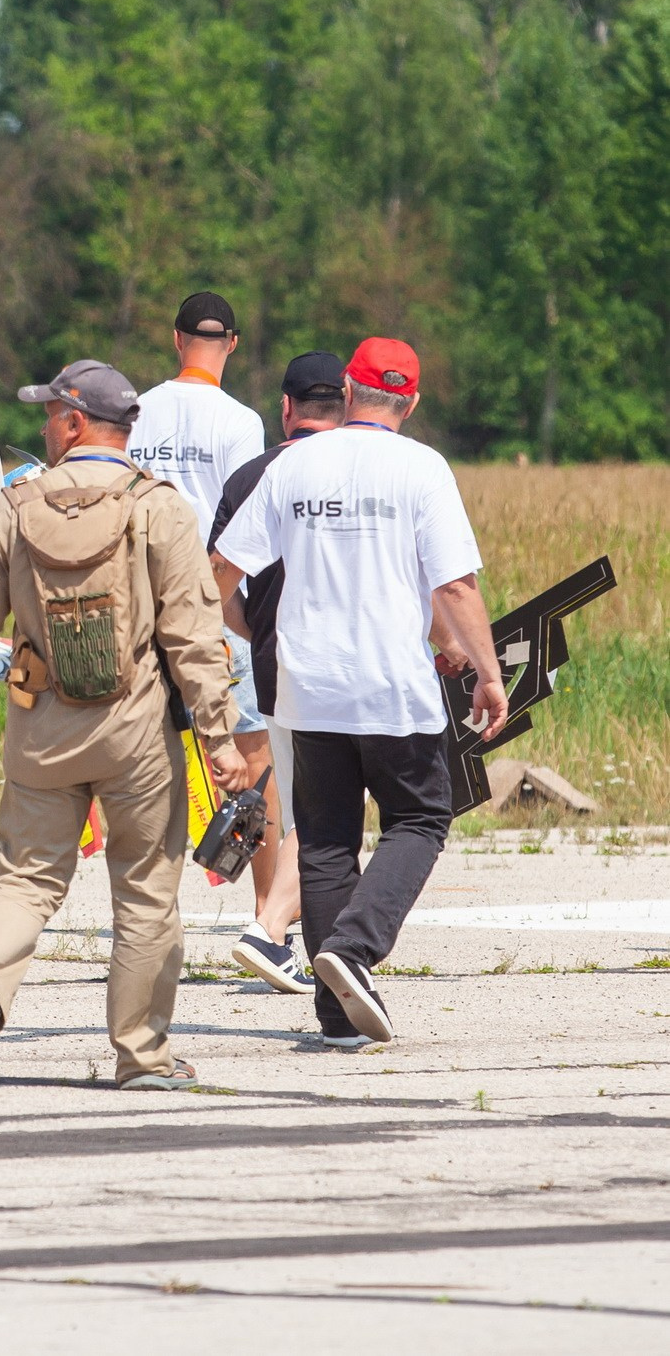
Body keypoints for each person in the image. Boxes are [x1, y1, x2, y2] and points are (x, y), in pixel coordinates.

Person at [0, 359, 251, 1095]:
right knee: (146, 892)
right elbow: (194, 637)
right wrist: (219, 737)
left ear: (75, 423)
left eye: (50, 414)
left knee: (26, 875)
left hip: (41, 727)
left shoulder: (14, 505)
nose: (44, 426)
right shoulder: (159, 507)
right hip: (137, 734)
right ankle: (142, 1057)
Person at [214, 338, 507, 1048]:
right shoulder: (423, 467)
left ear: (348, 390)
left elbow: (220, 569)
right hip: (392, 688)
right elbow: (455, 585)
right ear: (412, 402)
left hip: (307, 687)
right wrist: (488, 672)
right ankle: (355, 946)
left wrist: (248, 629)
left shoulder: (294, 465)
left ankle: (337, 1017)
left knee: (324, 839)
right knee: (420, 818)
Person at [125, 293, 287, 964]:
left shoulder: (136, 410)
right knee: (253, 759)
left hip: (139, 604)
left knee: (143, 762)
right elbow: (243, 517)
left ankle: (147, 920)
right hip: (212, 607)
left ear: (176, 338)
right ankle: (269, 917)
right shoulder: (242, 421)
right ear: (234, 344)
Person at [204, 351, 346, 993]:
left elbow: (214, 584)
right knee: (330, 805)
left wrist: (253, 630)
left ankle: (302, 937)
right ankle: (273, 929)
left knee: (301, 800)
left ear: (285, 408)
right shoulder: (360, 469)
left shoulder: (248, 478)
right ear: (346, 405)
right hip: (346, 661)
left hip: (273, 660)